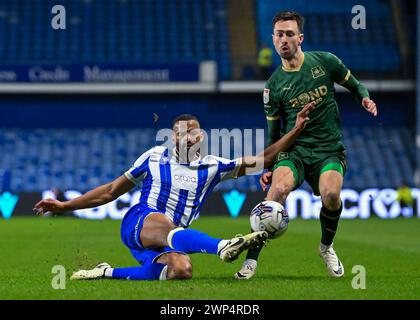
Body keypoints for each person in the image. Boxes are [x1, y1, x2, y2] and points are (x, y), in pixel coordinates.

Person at [34, 106, 314, 281]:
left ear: (200, 136)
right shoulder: (154, 157)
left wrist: (296, 129)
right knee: (165, 224)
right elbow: (110, 191)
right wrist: (63, 206)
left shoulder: (213, 166)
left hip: (169, 237)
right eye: (181, 133)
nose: (188, 137)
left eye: (193, 132)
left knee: (181, 270)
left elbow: (265, 158)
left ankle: (106, 272)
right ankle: (221, 246)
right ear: (173, 137)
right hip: (140, 223)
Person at [235, 11, 378, 280]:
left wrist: (365, 98)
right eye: (279, 34)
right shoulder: (273, 86)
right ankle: (251, 260)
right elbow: (273, 132)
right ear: (273, 40)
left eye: (290, 34)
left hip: (328, 149)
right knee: (276, 191)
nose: (284, 39)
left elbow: (356, 85)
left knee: (332, 196)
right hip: (294, 152)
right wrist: (269, 163)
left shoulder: (324, 62)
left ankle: (326, 247)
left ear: (300, 38)